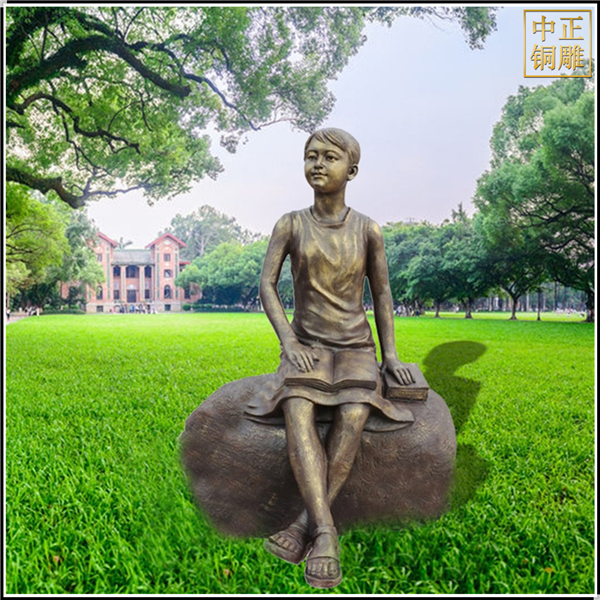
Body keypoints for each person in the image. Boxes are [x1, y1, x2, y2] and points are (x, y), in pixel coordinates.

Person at [257, 128, 414, 588]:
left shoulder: (368, 230)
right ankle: (326, 532)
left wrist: (390, 356)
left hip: (355, 348)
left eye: (329, 157)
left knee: (355, 411)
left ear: (353, 170)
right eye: (311, 156)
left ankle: (304, 524)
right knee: (297, 407)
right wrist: (289, 343)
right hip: (306, 345)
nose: (318, 164)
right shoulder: (290, 224)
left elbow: (381, 294)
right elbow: (267, 284)